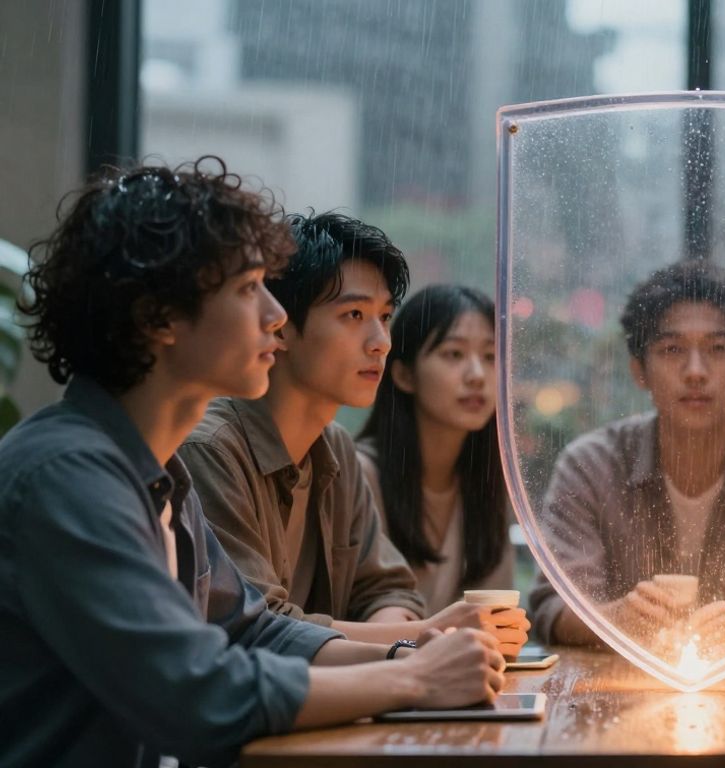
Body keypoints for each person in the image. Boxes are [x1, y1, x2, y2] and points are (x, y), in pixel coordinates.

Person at [0, 160, 504, 768]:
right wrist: (414, 680)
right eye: (247, 289)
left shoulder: (160, 476)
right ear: (157, 316)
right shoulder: (67, 475)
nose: (274, 315)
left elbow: (254, 630)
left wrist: (409, 654)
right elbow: (199, 692)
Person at [179, 212, 528, 655]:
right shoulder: (211, 450)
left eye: (384, 316)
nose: (380, 340)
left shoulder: (334, 449)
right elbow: (256, 629)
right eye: (355, 314)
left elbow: (389, 591)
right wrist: (420, 641)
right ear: (279, 325)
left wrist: (404, 642)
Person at [528, 260, 725, 652]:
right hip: (618, 691)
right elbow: (552, 604)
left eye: (719, 348)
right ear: (639, 371)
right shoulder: (590, 465)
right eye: (672, 349)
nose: (695, 371)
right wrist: (615, 620)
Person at [357, 284, 515, 610]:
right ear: (403, 375)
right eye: (454, 354)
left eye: (490, 356)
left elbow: (496, 614)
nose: (477, 376)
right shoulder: (361, 474)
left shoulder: (489, 483)